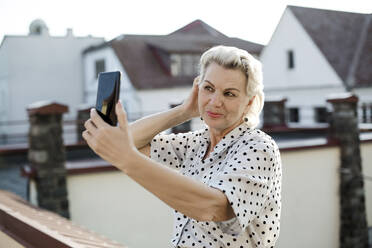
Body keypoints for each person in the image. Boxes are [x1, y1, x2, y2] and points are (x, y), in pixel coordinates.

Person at [82, 45, 282, 248]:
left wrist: (129, 161)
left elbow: (212, 207)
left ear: (249, 103)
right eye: (208, 88)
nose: (215, 101)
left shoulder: (259, 147)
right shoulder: (195, 143)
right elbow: (128, 141)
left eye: (229, 94)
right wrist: (183, 111)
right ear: (197, 88)